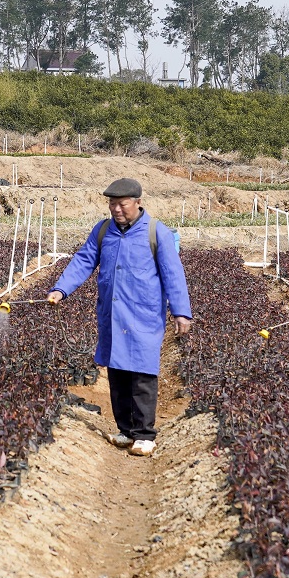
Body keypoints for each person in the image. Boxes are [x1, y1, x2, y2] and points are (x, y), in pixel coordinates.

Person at [46, 177, 192, 457]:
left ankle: (145, 434)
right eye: (112, 204)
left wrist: (181, 312)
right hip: (112, 315)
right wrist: (61, 289)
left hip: (143, 316)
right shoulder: (103, 231)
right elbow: (84, 260)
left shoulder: (156, 232)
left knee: (142, 374)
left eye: (121, 204)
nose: (116, 209)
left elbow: (173, 274)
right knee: (117, 374)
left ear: (137, 202)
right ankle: (125, 430)